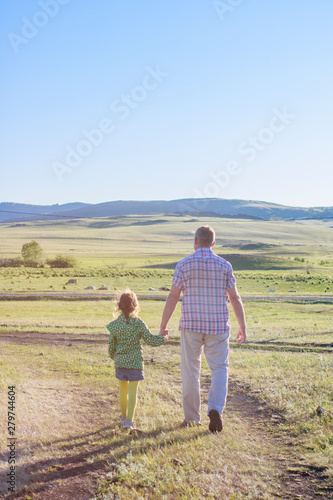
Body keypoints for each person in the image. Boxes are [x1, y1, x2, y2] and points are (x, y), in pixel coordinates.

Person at [159, 225, 246, 432]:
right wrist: (242, 326)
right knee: (219, 369)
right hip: (218, 326)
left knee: (191, 371)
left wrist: (163, 326)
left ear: (195, 242)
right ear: (213, 243)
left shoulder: (183, 265)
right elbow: (234, 297)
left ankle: (192, 418)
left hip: (191, 325)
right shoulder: (225, 265)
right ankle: (215, 409)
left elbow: (173, 296)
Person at [107, 289, 167, 430]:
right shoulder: (139, 324)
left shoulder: (116, 325)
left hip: (120, 362)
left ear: (119, 306)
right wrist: (163, 338)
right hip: (135, 363)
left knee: (123, 389)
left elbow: (111, 344)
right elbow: (151, 340)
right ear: (135, 306)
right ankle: (129, 421)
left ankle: (123, 417)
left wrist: (113, 356)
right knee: (133, 391)